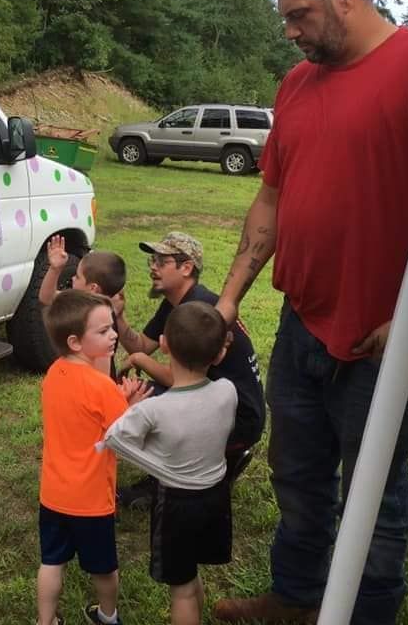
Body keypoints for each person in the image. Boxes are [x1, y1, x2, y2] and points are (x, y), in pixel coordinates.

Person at [212, 0, 408, 625]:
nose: (291, 31)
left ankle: (368, 616)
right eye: (286, 19)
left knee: (375, 495)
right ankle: (296, 599)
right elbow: (271, 200)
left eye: (300, 14)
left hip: (382, 341)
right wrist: (227, 296)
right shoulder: (295, 84)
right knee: (296, 475)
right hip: (302, 322)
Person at [100, 302, 237, 625]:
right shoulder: (228, 391)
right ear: (219, 355)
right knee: (191, 576)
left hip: (178, 504)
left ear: (163, 345)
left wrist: (158, 464)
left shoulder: (154, 410)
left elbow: (115, 438)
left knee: (182, 588)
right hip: (216, 496)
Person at [114, 231, 264, 507]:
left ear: (186, 268)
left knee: (148, 404)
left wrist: (139, 361)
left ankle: (169, 480)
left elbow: (177, 379)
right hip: (221, 402)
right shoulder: (176, 304)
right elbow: (142, 344)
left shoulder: (199, 308)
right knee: (148, 395)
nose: (153, 267)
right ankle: (220, 462)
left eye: (162, 260)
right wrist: (119, 317)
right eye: (152, 260)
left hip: (239, 418)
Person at [37, 290, 149, 625]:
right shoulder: (102, 388)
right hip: (91, 501)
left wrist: (119, 402)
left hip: (54, 495)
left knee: (51, 563)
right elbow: (124, 436)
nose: (114, 334)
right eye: (103, 331)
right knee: (104, 567)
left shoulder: (54, 373)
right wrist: (131, 405)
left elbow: (83, 417)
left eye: (112, 326)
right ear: (74, 341)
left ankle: (45, 621)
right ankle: (107, 615)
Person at [38, 234, 127, 378]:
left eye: (78, 276)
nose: (73, 278)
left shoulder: (102, 324)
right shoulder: (79, 301)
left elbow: (102, 375)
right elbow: (46, 298)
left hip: (94, 388)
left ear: (93, 288)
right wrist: (55, 269)